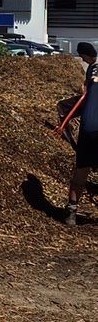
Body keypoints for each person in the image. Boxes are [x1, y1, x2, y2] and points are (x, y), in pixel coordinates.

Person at [64, 42, 98, 226]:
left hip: (88, 127)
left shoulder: (92, 70)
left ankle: (71, 213)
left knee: (81, 172)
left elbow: (83, 92)